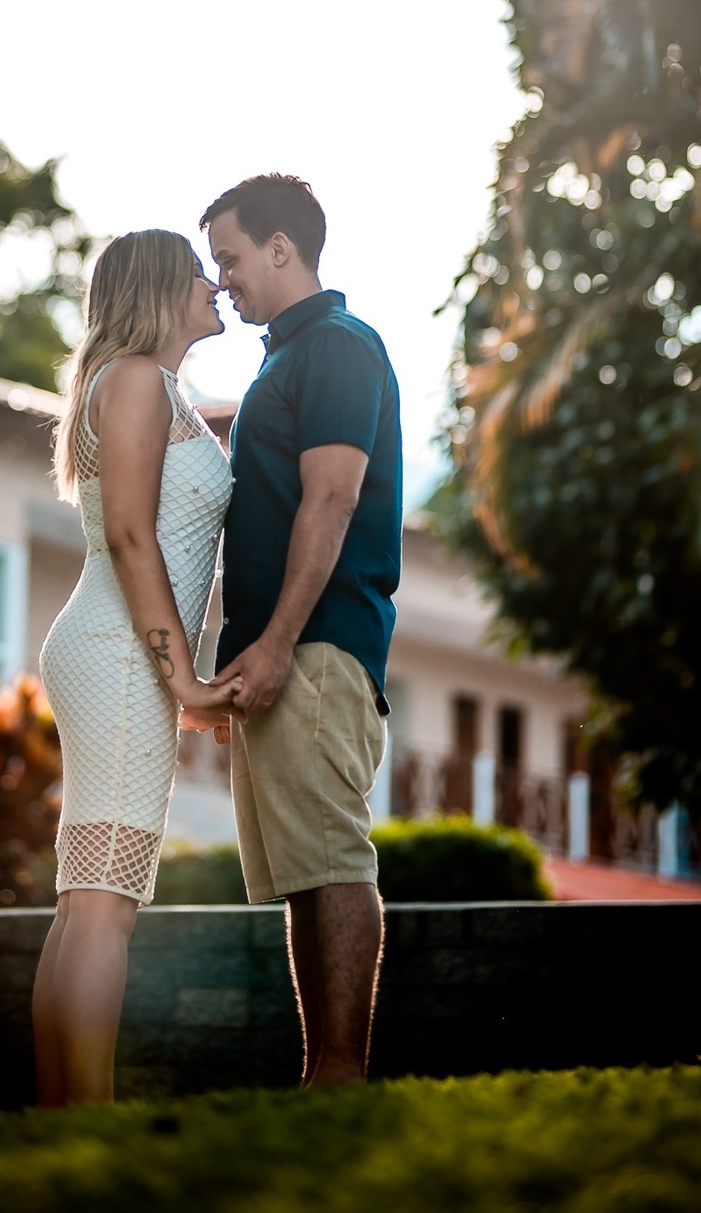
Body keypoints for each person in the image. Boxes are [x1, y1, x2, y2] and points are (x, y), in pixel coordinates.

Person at [197, 174, 402, 1088]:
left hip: (318, 647)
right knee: (301, 871)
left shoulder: (341, 349)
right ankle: (321, 1075)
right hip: (276, 651)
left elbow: (333, 496)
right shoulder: (280, 362)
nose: (225, 279)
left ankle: (344, 1076)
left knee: (333, 859)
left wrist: (279, 641)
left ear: (283, 247)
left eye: (231, 258)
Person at [32, 229, 242, 1106]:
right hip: (119, 657)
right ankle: (88, 1111)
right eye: (199, 270)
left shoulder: (154, 387)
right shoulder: (136, 382)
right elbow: (127, 535)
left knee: (89, 895)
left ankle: (58, 1110)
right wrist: (181, 677)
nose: (214, 282)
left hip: (119, 655)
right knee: (105, 902)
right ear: (160, 288)